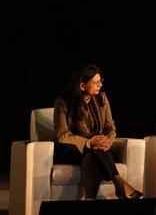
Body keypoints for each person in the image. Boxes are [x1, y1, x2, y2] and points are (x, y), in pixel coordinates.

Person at [53, 64, 143, 200]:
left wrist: (107, 141)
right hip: (73, 149)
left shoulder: (102, 98)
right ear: (82, 86)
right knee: (93, 150)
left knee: (93, 154)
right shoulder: (63, 102)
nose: (100, 85)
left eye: (101, 81)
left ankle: (90, 198)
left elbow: (110, 128)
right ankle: (119, 183)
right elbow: (62, 135)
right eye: (96, 82)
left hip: (98, 149)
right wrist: (89, 142)